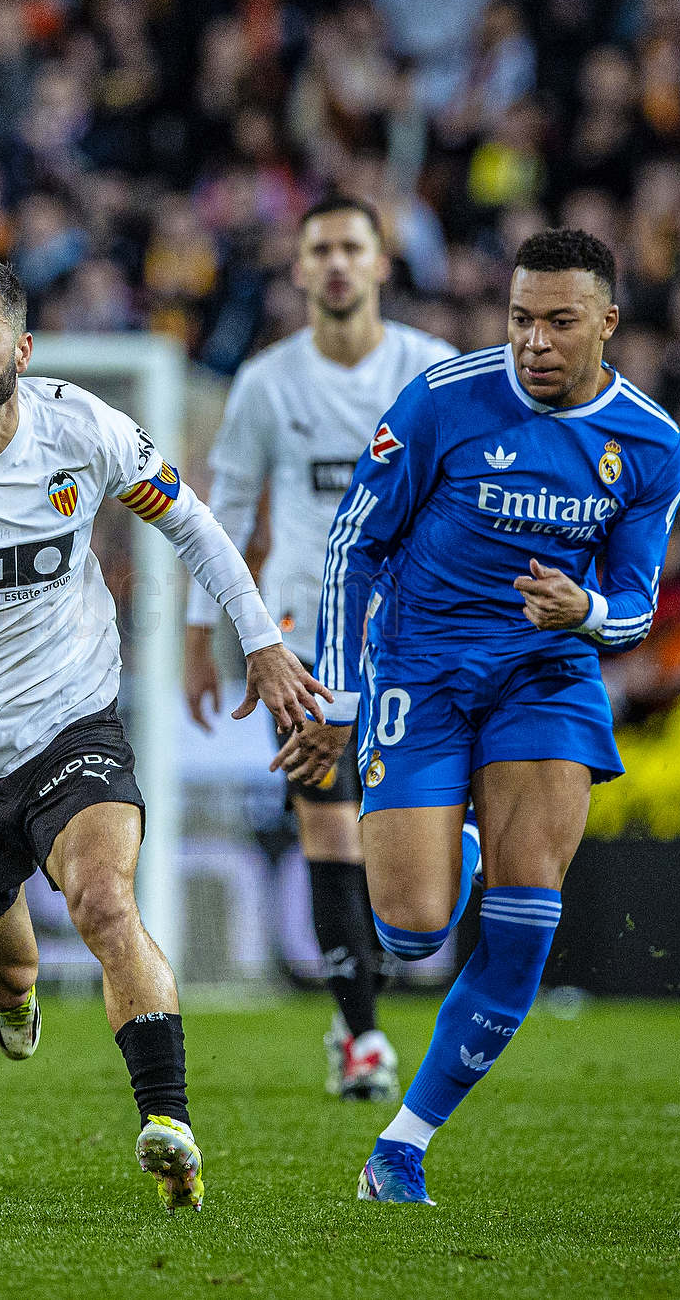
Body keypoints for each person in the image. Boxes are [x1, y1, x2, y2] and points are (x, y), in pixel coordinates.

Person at [0, 257, 324, 1211]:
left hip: (71, 723)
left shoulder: (82, 428)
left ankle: (167, 1121)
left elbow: (193, 524)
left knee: (103, 902)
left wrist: (256, 640)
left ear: (22, 345)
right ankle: (10, 999)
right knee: (3, 971)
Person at [279, 229, 680, 1204]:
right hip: (418, 675)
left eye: (557, 321)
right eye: (518, 319)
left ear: (605, 323)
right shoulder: (443, 400)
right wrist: (334, 694)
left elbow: (635, 604)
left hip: (545, 678)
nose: (533, 341)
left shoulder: (647, 443)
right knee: (413, 930)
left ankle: (403, 1145)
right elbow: (352, 546)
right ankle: (451, 847)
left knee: (522, 921)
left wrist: (582, 612)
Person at [182, 193, 460, 1103]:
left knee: (402, 843)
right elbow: (219, 517)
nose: (337, 264)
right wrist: (198, 634)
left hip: (418, 635)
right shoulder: (266, 382)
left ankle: (360, 1008)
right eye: (320, 250)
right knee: (327, 823)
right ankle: (365, 1034)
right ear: (299, 271)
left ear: (382, 264)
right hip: (306, 632)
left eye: (352, 247)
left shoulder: (436, 372)